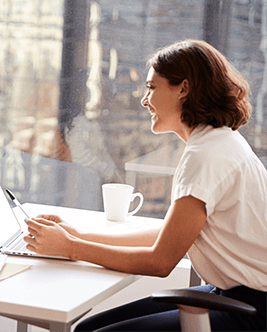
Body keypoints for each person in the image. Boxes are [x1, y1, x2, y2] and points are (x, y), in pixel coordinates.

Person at [24, 39, 267, 331]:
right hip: (240, 296)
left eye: (152, 88)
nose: (144, 99)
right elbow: (170, 235)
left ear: (184, 89)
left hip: (252, 310)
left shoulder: (205, 156)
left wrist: (73, 248)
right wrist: (78, 236)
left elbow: (160, 262)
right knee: (86, 328)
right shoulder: (218, 141)